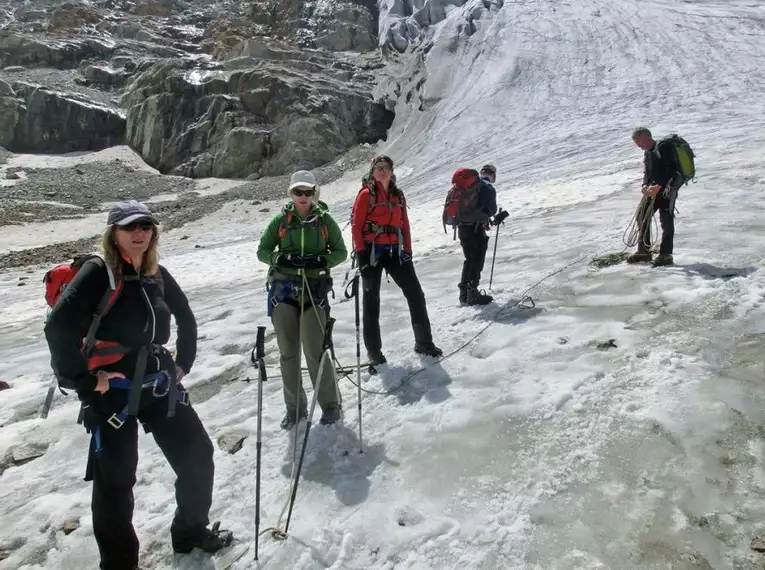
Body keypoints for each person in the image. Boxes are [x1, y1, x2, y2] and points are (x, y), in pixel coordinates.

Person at [44, 200, 232, 570]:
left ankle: (190, 531)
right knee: (116, 484)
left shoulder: (154, 272)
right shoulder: (100, 272)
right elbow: (59, 327)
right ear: (113, 233)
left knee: (197, 456)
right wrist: (85, 383)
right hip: (111, 394)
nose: (139, 233)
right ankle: (119, 564)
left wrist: (184, 362)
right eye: (130, 227)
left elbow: (185, 315)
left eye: (146, 226)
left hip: (158, 383)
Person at [257, 170, 347, 430]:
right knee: (288, 354)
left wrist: (323, 260)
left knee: (315, 352)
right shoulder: (281, 221)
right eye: (299, 192)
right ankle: (295, 408)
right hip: (283, 291)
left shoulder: (325, 221)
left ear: (314, 192)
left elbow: (340, 251)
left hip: (314, 291)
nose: (303, 196)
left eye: (308, 192)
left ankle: (331, 405)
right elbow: (262, 251)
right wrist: (279, 259)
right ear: (291, 194)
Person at [351, 155, 443, 365]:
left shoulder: (398, 195)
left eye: (386, 168)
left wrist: (408, 250)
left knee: (415, 294)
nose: (382, 171)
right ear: (372, 171)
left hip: (395, 252)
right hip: (372, 252)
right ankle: (374, 353)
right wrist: (362, 255)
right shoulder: (366, 194)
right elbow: (357, 225)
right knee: (371, 302)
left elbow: (405, 224)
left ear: (392, 171)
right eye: (378, 168)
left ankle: (424, 342)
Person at [629, 127, 681, 266]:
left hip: (666, 192)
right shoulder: (648, 152)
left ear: (646, 136)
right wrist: (645, 185)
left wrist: (659, 186)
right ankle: (644, 252)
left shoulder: (663, 147)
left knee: (666, 221)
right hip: (652, 192)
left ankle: (666, 255)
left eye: (639, 141)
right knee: (642, 216)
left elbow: (671, 169)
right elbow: (647, 172)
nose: (638, 145)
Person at [457, 164, 498, 305]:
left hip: (462, 227)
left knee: (469, 259)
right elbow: (492, 210)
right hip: (476, 229)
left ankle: (463, 293)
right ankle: (473, 293)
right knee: (477, 260)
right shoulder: (487, 188)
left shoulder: (467, 187)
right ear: (493, 176)